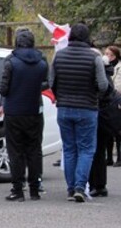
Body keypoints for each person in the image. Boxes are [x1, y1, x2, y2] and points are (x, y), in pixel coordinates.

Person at [50, 23, 108, 202]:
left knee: (69, 149)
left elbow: (51, 82)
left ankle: (70, 188)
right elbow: (103, 85)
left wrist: (61, 96)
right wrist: (94, 96)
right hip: (87, 108)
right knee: (86, 149)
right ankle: (80, 187)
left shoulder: (58, 57)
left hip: (64, 108)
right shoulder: (94, 58)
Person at [0, 28, 48, 202]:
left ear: (17, 42)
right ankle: (35, 190)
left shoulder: (11, 61)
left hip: (14, 112)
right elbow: (46, 83)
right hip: (34, 110)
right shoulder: (42, 61)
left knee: (15, 151)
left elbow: (3, 88)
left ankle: (18, 190)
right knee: (34, 150)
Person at [89, 47, 115, 197]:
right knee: (98, 151)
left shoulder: (103, 74)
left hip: (99, 114)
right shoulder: (107, 72)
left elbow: (105, 91)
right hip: (103, 115)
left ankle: (97, 184)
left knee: (96, 151)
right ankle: (98, 184)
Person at [106, 45, 121, 167]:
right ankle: (109, 157)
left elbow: (118, 86)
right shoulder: (105, 67)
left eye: (110, 55)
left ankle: (119, 157)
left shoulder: (119, 68)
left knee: (118, 130)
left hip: (117, 100)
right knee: (108, 131)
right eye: (106, 54)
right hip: (108, 101)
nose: (107, 57)